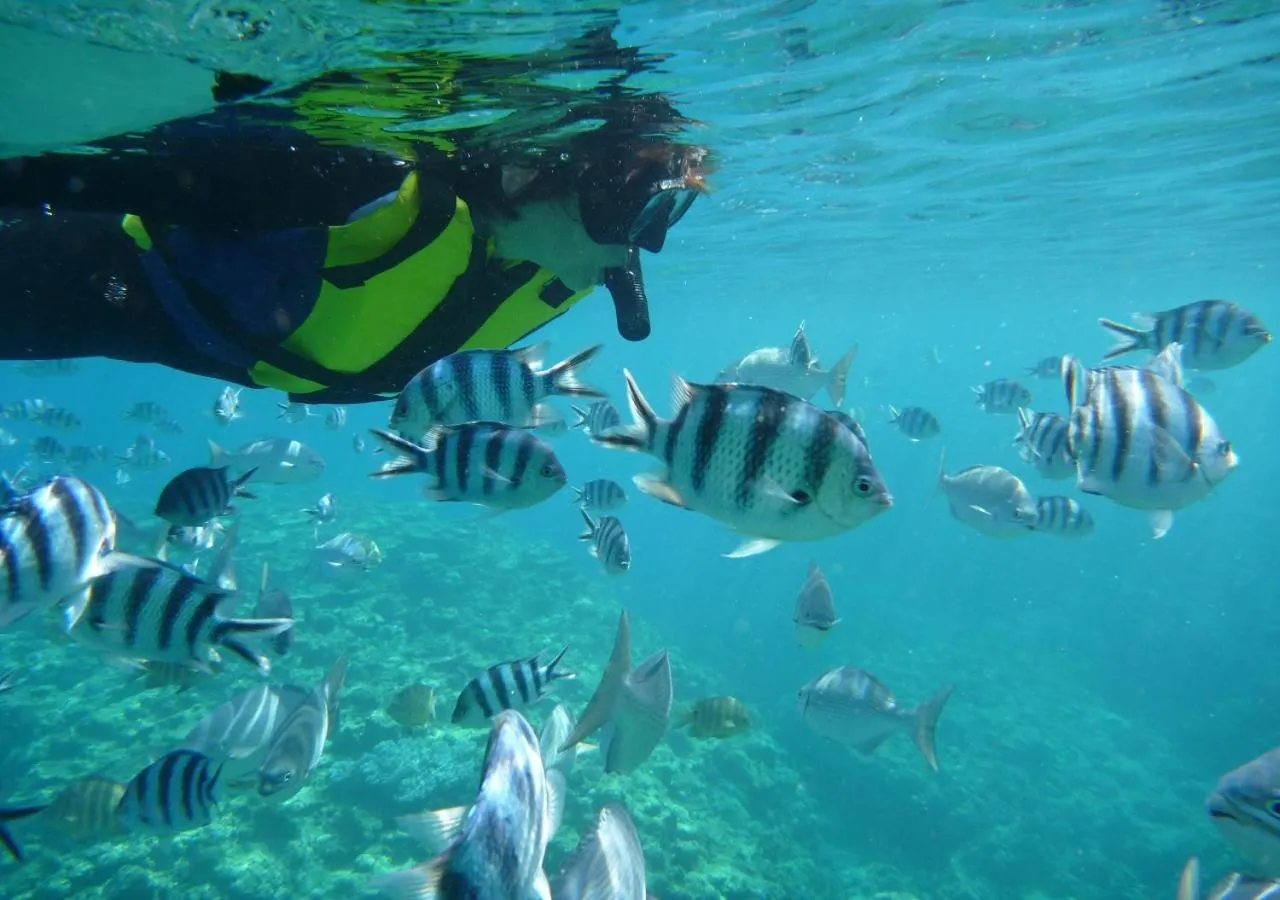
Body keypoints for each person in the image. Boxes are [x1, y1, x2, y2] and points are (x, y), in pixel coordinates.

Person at [0, 77, 712, 404]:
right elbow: (106, 182)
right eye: (631, 214)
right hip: (116, 282)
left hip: (229, 349)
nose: (636, 253)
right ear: (533, 170)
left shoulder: (581, 268)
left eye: (665, 217)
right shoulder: (361, 191)